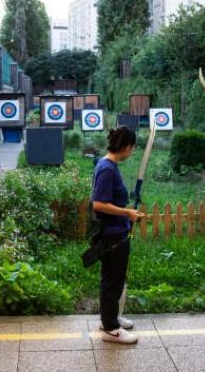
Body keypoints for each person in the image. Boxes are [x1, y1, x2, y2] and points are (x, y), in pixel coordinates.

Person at [91, 126, 143, 345]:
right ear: (126, 147)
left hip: (117, 233)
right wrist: (127, 212)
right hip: (112, 237)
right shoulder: (107, 168)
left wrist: (127, 213)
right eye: (132, 148)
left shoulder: (109, 166)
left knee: (115, 278)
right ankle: (111, 328)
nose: (132, 152)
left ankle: (110, 318)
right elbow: (99, 204)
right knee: (112, 280)